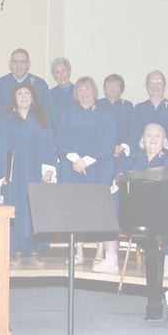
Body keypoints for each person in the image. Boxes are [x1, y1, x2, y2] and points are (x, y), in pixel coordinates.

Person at [0, 82, 57, 267]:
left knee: (35, 209)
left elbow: (49, 145)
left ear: (33, 98)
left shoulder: (41, 119)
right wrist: (2, 173)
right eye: (20, 93)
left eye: (27, 93)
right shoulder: (6, 121)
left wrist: (49, 168)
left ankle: (35, 251)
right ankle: (15, 251)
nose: (24, 97)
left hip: (36, 171)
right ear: (14, 98)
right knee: (17, 208)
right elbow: (0, 148)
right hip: (15, 173)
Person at [55, 76, 118, 272]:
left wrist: (87, 160)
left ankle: (100, 252)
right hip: (73, 168)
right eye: (80, 89)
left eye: (88, 89)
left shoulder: (105, 113)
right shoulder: (67, 112)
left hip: (98, 168)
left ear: (95, 91)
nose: (84, 92)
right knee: (75, 209)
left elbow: (108, 141)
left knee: (98, 210)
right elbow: (60, 138)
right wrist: (75, 159)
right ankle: (78, 251)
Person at [125, 122, 168, 277]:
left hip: (162, 207)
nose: (152, 139)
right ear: (143, 139)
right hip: (138, 207)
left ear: (164, 140)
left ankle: (166, 258)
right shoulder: (133, 158)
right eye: (149, 135)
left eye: (157, 136)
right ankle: (151, 252)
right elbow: (120, 174)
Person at [0, 48, 53, 130]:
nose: (19, 65)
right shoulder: (0, 84)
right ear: (10, 64)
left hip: (34, 134)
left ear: (28, 65)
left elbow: (48, 115)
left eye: (23, 62)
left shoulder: (40, 85)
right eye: (15, 62)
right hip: (6, 134)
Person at [129, 70, 168, 157]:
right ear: (146, 86)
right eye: (151, 82)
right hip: (144, 159)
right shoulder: (139, 108)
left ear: (164, 85)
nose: (155, 86)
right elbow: (134, 138)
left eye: (159, 82)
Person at [96, 74, 134, 162]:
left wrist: (123, 146)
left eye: (116, 86)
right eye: (109, 85)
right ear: (104, 89)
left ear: (121, 89)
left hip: (122, 151)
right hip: (101, 153)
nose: (112, 89)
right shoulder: (96, 105)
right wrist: (109, 148)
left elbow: (131, 129)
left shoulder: (127, 106)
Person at [48, 57, 74, 126]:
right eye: (57, 72)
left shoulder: (79, 92)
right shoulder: (49, 95)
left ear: (69, 72)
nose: (61, 75)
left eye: (63, 70)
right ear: (54, 76)